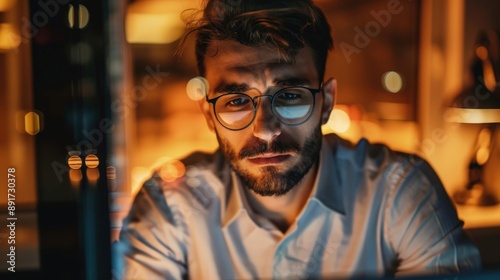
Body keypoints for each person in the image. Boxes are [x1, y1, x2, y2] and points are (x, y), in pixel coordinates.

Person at [114, 0, 481, 279]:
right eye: (237, 101)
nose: (266, 129)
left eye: (290, 96)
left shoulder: (398, 192)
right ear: (209, 115)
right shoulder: (169, 207)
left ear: (327, 103)